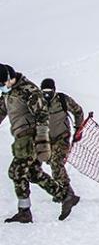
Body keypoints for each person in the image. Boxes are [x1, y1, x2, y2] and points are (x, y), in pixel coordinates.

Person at [0, 64, 79, 223]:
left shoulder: (29, 91)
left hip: (32, 138)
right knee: (32, 173)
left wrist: (42, 141)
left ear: (10, 78)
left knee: (16, 171)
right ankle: (65, 195)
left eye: (2, 83)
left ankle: (24, 212)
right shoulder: (8, 94)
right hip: (21, 138)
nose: (1, 87)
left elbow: (42, 115)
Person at [40, 79, 84, 202]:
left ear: (54, 90)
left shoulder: (62, 100)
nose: (46, 94)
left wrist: (78, 128)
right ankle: (60, 190)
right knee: (48, 163)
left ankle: (67, 192)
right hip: (45, 139)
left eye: (49, 91)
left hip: (62, 137)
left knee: (56, 162)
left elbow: (78, 110)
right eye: (44, 91)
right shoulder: (37, 101)